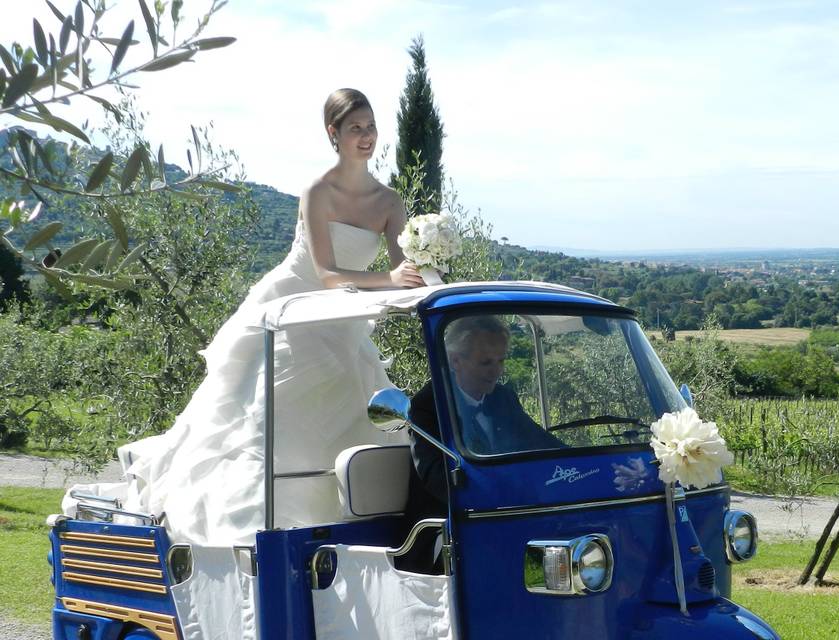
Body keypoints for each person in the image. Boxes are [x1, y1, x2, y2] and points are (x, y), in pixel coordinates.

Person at [114, 89, 424, 545]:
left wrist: (426, 266)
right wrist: (393, 275)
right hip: (294, 307)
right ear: (333, 133)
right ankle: (263, 532)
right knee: (276, 417)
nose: (366, 136)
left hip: (343, 322)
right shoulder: (318, 191)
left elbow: (404, 272)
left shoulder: (389, 202)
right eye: (355, 128)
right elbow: (328, 274)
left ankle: (343, 532)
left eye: (372, 126)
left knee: (358, 413)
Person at [407, 316, 563, 511]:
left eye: (501, 361)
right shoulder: (428, 404)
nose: (496, 371)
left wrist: (584, 465)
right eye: (486, 362)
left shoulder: (503, 398)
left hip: (506, 513)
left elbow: (542, 442)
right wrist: (504, 489)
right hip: (446, 524)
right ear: (456, 361)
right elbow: (437, 478)